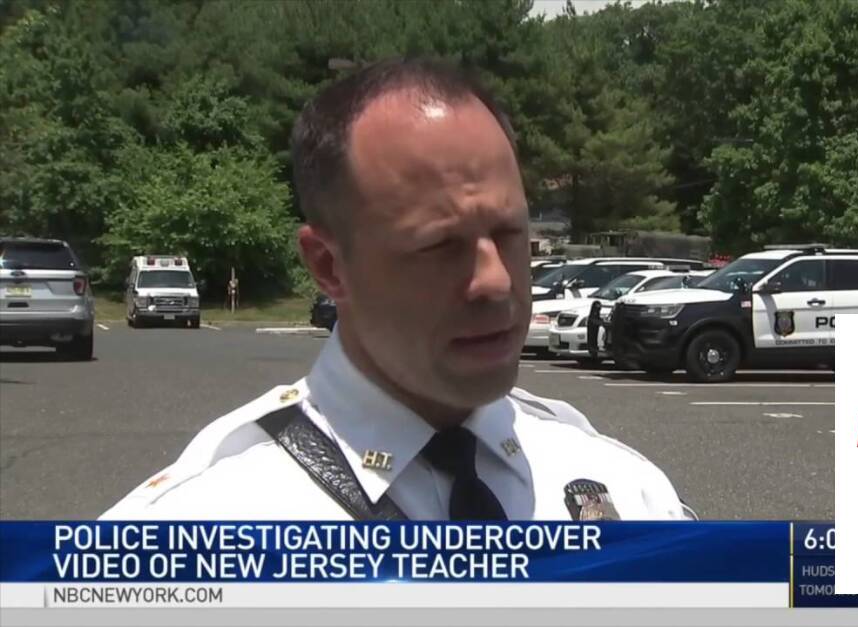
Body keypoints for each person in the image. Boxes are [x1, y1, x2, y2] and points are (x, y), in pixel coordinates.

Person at [102, 58, 694, 521]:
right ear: (329, 266)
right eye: (439, 245)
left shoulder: (626, 493)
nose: (495, 281)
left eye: (510, 233)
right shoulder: (195, 536)